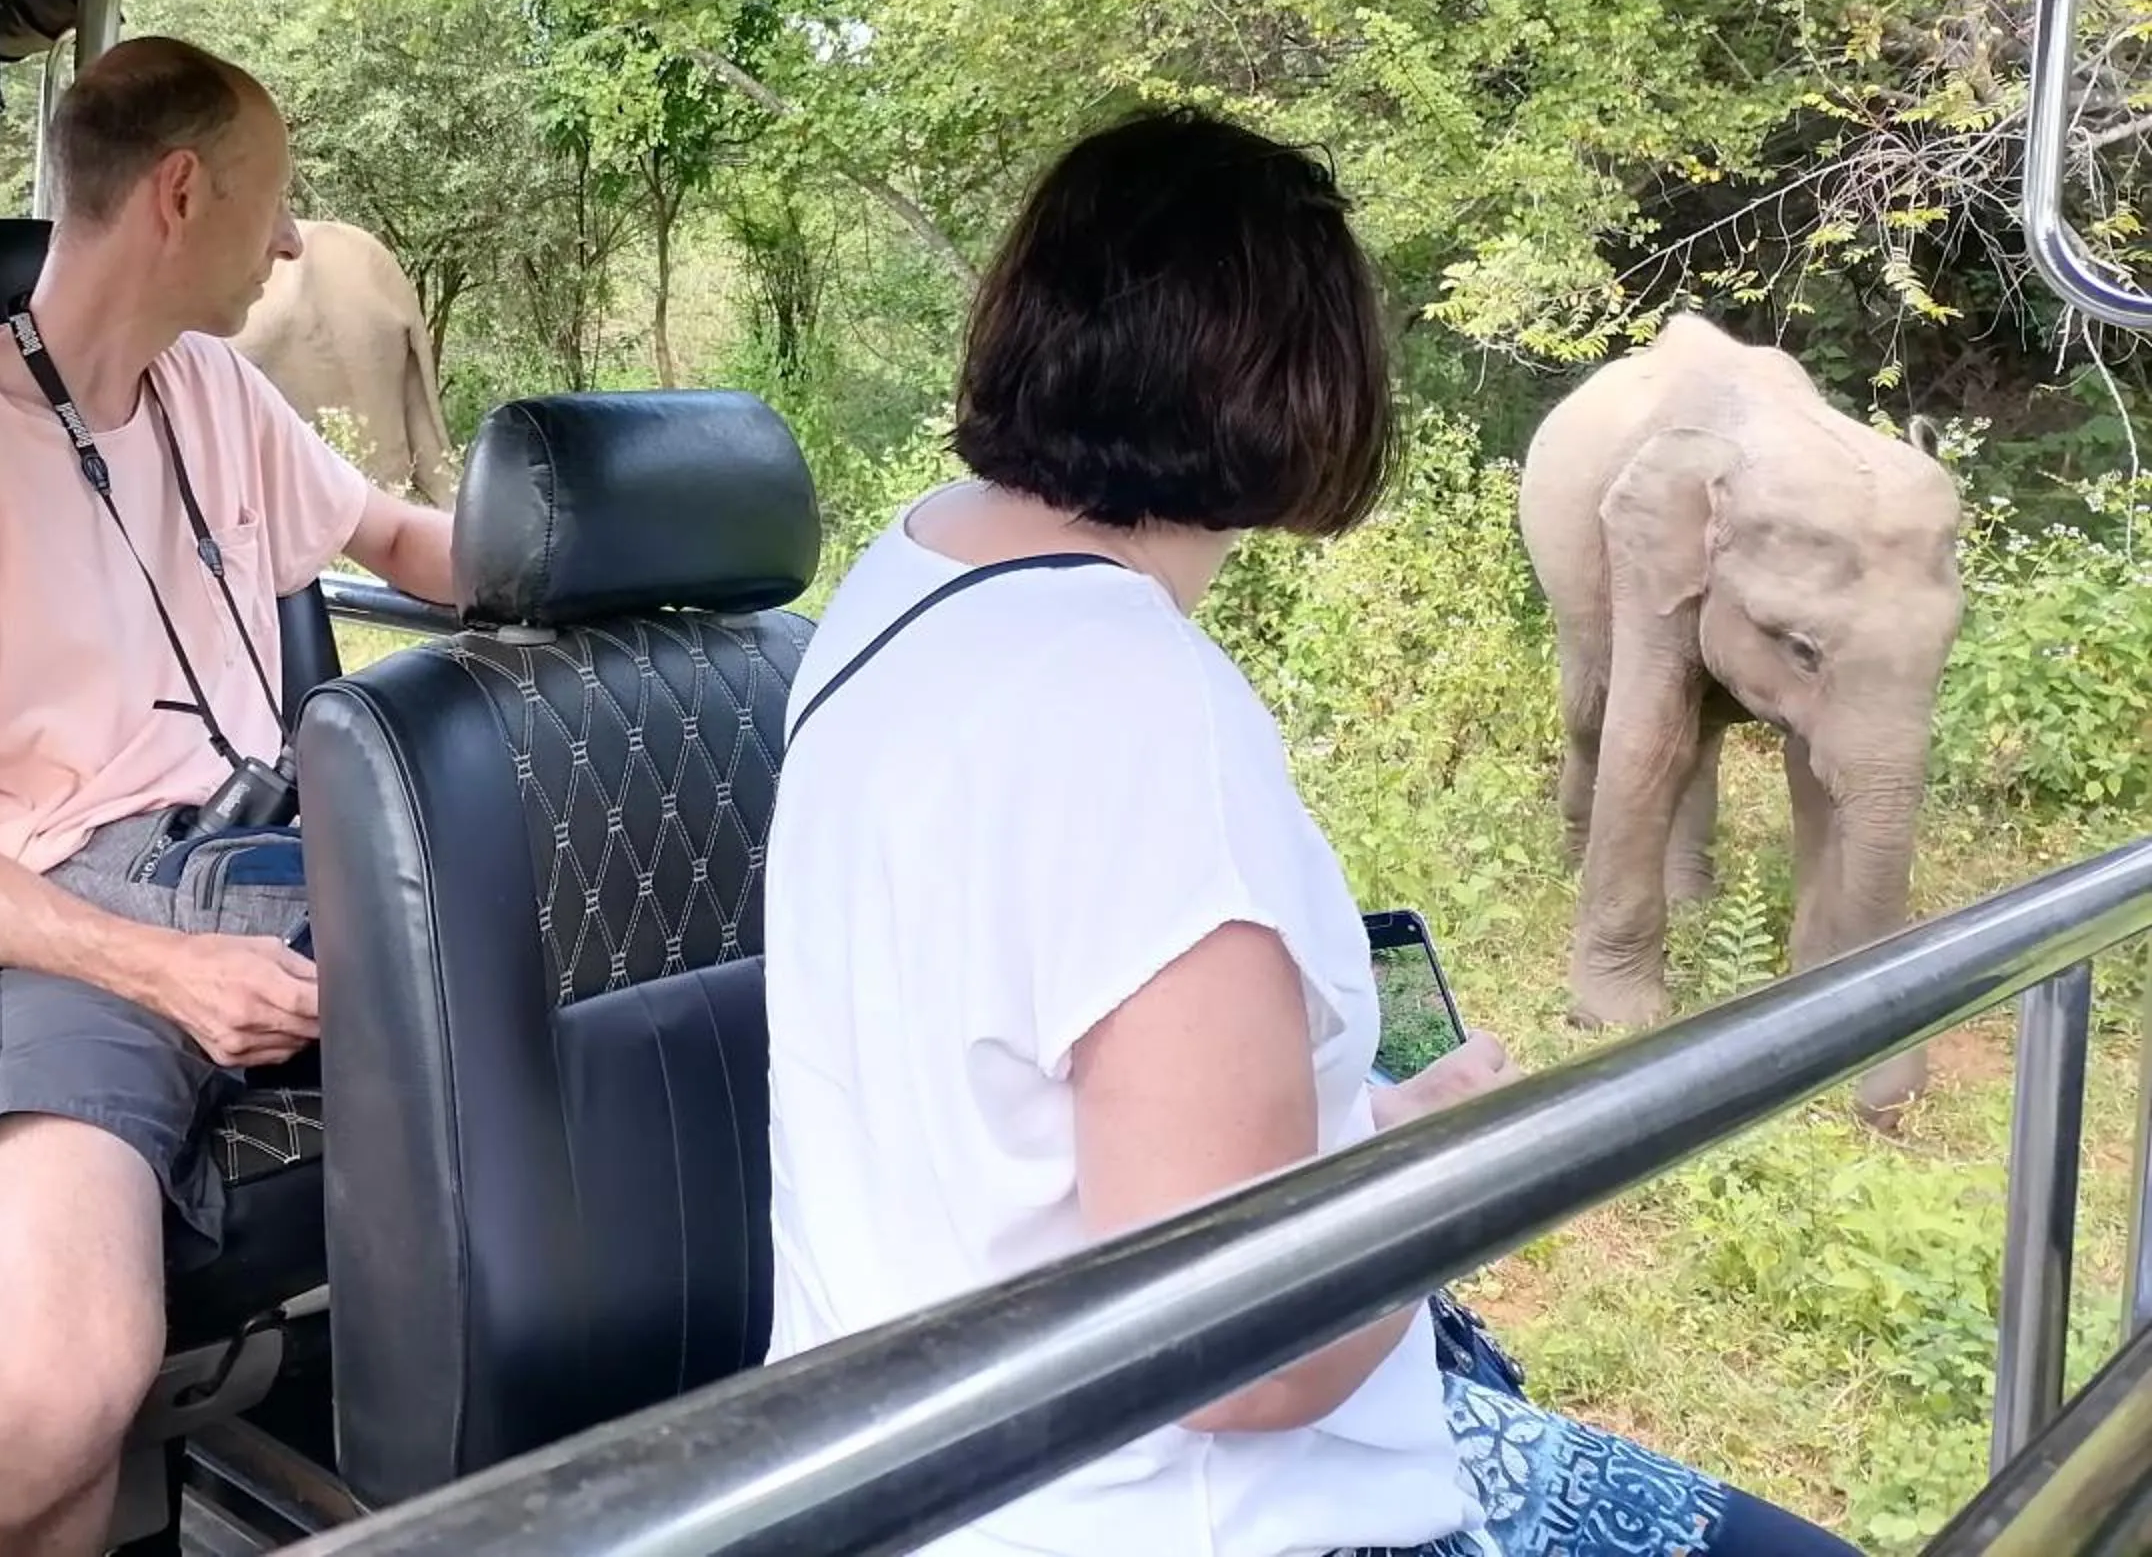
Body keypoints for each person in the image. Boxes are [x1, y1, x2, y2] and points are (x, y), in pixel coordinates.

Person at [761, 107, 1858, 1557]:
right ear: (1309, 383)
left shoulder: (902, 584)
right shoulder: (1141, 711)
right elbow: (1243, 1355)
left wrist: (1360, 1129)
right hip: (1160, 1520)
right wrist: (1446, 1175)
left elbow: (1015, 1114)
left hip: (901, 1476)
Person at [0, 35, 458, 1557]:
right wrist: (161, 968)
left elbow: (404, 542)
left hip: (257, 873)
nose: (288, 244)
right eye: (276, 202)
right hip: (35, 946)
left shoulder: (216, 389)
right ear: (180, 193)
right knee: (66, 1378)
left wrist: (601, 543)